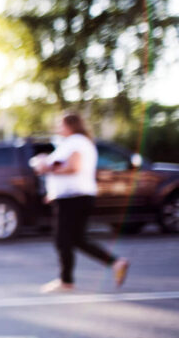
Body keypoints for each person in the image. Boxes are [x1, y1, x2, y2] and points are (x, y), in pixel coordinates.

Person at [33, 110, 129, 293]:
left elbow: (74, 167)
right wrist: (53, 191)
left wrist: (46, 167)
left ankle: (66, 281)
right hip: (76, 196)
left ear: (70, 125)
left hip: (72, 198)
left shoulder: (75, 142)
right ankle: (116, 262)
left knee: (63, 240)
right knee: (77, 239)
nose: (57, 127)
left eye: (60, 124)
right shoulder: (80, 142)